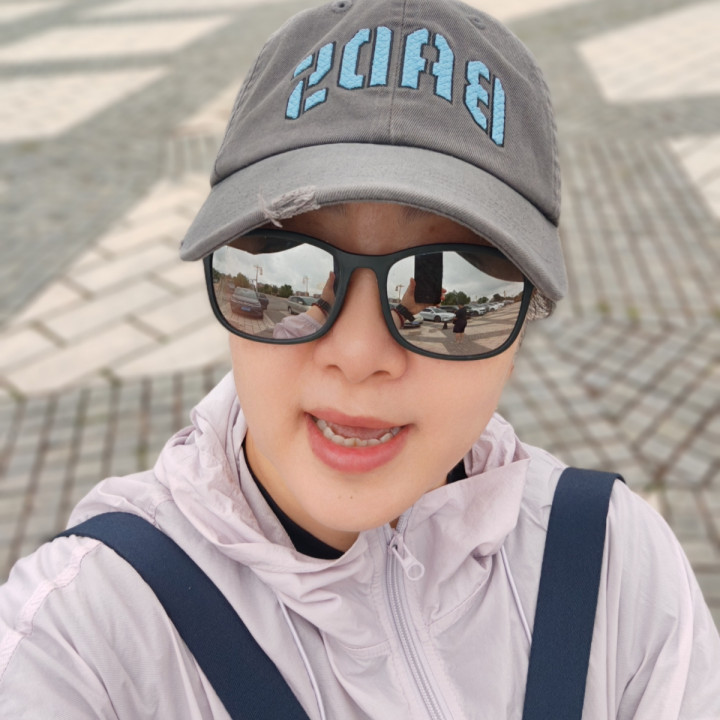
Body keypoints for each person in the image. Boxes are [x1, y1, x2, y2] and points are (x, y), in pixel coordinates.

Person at [1, 0, 719, 718]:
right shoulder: (87, 632)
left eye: (458, 282)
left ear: (527, 321)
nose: (357, 354)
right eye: (282, 270)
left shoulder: (617, 568)